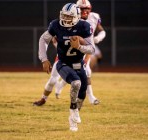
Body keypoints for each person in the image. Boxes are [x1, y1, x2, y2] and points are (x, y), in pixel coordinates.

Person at [36, 3, 95, 131]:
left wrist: (79, 47)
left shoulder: (84, 26)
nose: (66, 19)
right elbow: (43, 39)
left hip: (79, 64)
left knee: (82, 95)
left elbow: (92, 49)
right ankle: (72, 114)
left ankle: (73, 113)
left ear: (76, 16)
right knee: (76, 83)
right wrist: (44, 59)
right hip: (63, 63)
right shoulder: (56, 25)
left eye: (69, 16)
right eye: (64, 16)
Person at [55, 0, 106, 104]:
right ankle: (60, 86)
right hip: (70, 49)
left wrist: (97, 39)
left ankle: (91, 97)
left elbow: (102, 31)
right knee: (75, 71)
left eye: (87, 8)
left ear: (90, 8)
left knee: (86, 71)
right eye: (82, 9)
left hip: (84, 48)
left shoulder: (94, 17)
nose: (85, 11)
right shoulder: (71, 18)